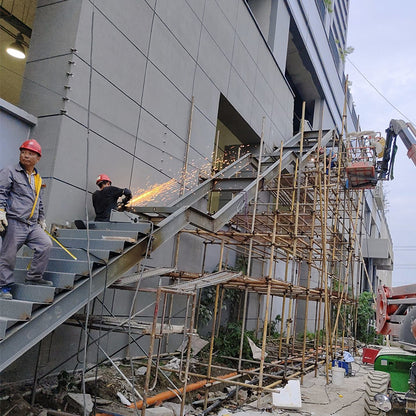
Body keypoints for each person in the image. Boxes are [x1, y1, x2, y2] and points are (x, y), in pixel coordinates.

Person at [0, 139, 53, 300]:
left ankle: (34, 277)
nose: (26, 156)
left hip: (32, 224)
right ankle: (3, 287)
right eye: (23, 152)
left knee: (45, 244)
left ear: (38, 158)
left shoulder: (38, 178)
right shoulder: (9, 171)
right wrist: (1, 211)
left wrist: (42, 219)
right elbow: (1, 191)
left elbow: (39, 200)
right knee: (8, 255)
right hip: (14, 221)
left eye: (30, 153)